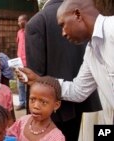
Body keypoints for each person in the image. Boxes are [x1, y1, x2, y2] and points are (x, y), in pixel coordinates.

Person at [19, 0, 114, 130]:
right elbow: (78, 91)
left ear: (77, 15)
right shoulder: (91, 52)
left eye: (63, 25)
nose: (63, 33)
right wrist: (39, 80)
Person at [7, 76, 65, 141]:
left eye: (43, 102)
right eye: (32, 99)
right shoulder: (22, 122)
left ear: (56, 105)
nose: (35, 106)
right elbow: (8, 136)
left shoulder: (56, 138)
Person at [15, 14, 28, 111]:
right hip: (19, 62)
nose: (19, 23)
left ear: (26, 21)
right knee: (20, 83)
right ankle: (22, 102)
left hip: (28, 62)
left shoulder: (31, 31)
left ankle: (28, 103)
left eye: (21, 21)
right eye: (18, 21)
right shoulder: (19, 32)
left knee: (28, 83)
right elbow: (18, 44)